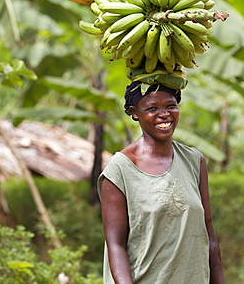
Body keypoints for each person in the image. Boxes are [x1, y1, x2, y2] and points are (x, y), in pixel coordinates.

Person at [97, 81, 226, 284]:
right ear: (135, 112)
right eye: (152, 108)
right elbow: (116, 245)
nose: (164, 114)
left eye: (170, 106)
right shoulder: (120, 169)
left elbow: (208, 232)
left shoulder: (194, 160)